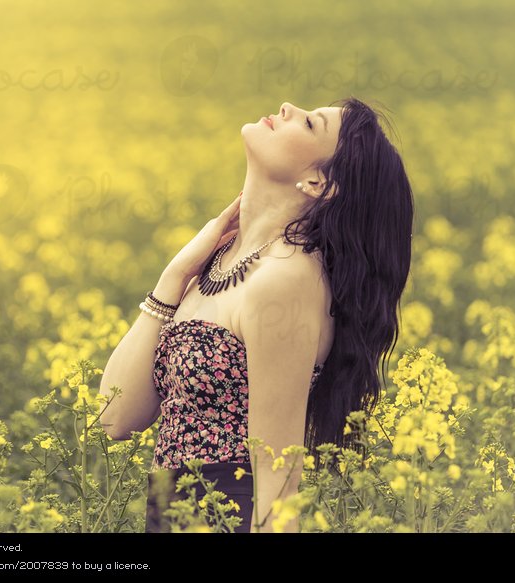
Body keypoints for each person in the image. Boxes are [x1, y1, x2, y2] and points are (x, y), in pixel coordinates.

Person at [99, 97, 414, 533]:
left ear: (318, 182)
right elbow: (115, 418)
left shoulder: (286, 280)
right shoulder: (214, 263)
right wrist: (173, 277)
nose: (286, 107)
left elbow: (277, 472)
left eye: (308, 124)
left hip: (227, 518)